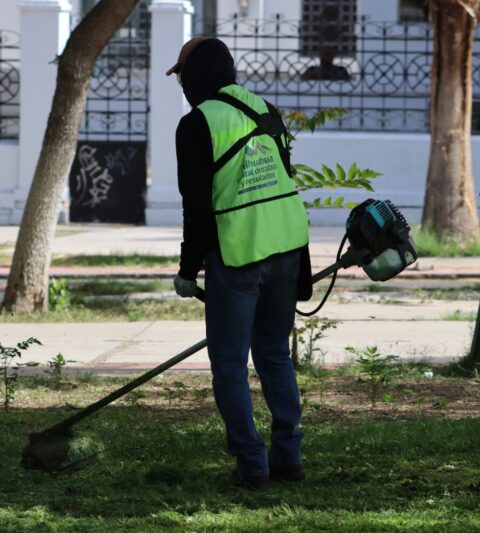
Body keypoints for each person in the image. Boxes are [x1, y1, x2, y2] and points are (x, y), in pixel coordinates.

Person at [168, 37, 313, 490]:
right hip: (288, 247)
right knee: (273, 354)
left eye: (182, 76)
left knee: (230, 363)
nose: (182, 86)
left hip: (239, 254)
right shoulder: (265, 109)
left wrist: (188, 271)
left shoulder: (197, 124)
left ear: (196, 75)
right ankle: (288, 456)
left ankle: (252, 464)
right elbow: (281, 178)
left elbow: (197, 207)